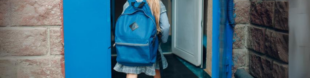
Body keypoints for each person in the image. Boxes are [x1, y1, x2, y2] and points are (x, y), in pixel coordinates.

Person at [113, 0, 171, 78]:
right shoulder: (157, 3)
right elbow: (165, 26)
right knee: (156, 70)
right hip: (151, 45)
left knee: (131, 72)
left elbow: (125, 25)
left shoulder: (129, 3)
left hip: (130, 47)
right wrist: (164, 40)